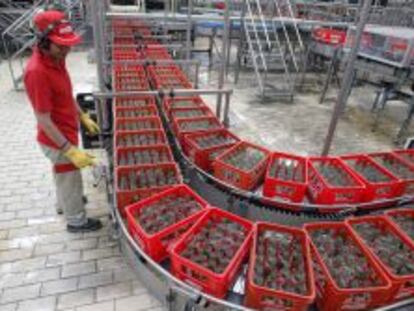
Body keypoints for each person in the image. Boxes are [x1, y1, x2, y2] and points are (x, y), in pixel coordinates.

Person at [24, 10, 102, 233]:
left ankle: (65, 203)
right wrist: (69, 149)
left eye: (68, 45)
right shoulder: (37, 72)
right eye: (61, 45)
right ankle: (76, 220)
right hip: (55, 138)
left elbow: (66, 93)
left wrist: (82, 115)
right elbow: (43, 119)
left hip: (65, 131)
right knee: (70, 175)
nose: (67, 50)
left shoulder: (56, 59)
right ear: (43, 41)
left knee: (63, 173)